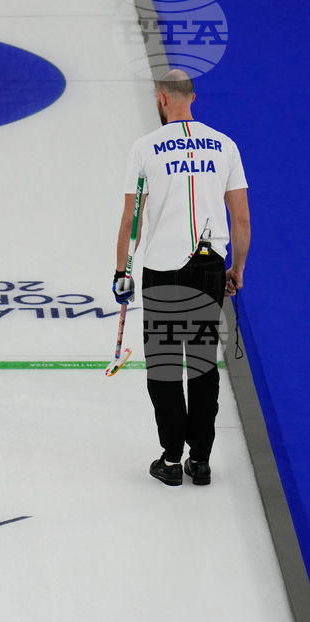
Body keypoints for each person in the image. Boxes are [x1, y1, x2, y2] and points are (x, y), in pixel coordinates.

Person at [113, 70, 250, 486]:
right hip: (209, 265)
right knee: (203, 364)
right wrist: (237, 269)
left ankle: (171, 459)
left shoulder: (145, 148)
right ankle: (202, 460)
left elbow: (132, 220)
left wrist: (122, 271)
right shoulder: (225, 145)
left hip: (164, 267)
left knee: (166, 365)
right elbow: (240, 218)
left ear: (161, 99)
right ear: (192, 97)